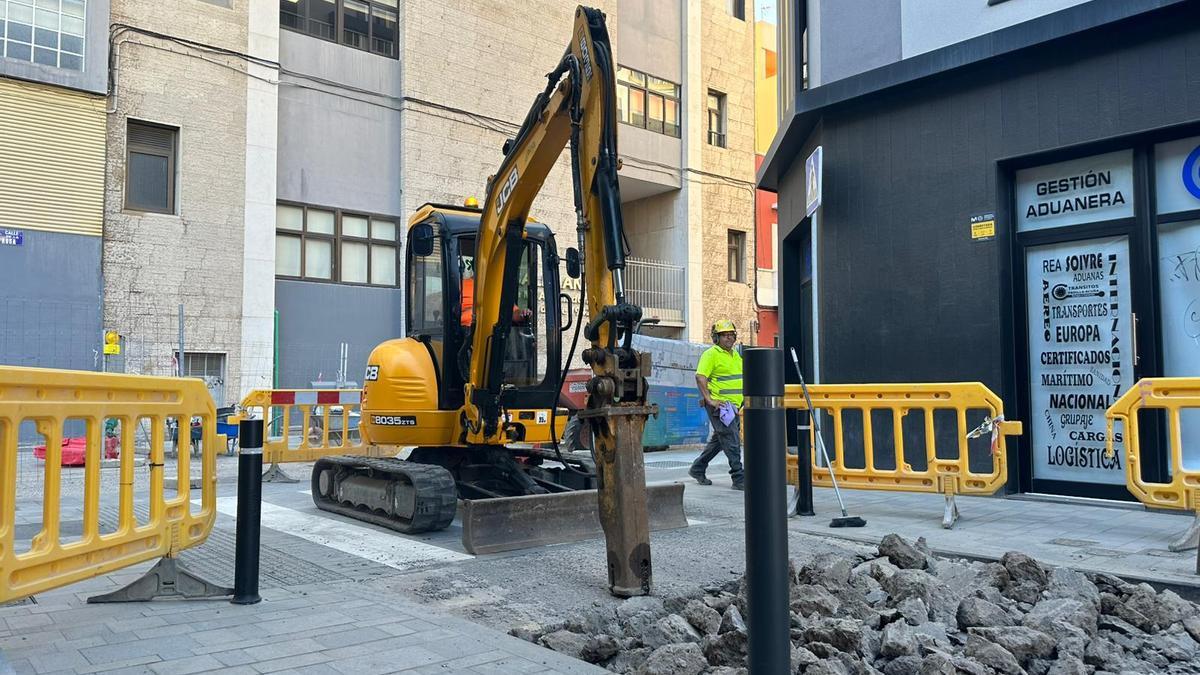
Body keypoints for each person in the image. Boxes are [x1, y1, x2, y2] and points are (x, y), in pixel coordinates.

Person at [690, 319, 744, 490]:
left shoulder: (735, 355)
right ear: (716, 338)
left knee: (721, 441)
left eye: (731, 335)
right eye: (724, 335)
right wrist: (709, 400)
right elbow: (700, 377)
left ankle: (698, 468)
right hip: (720, 407)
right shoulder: (711, 354)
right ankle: (738, 477)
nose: (728, 338)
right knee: (732, 440)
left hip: (733, 407)